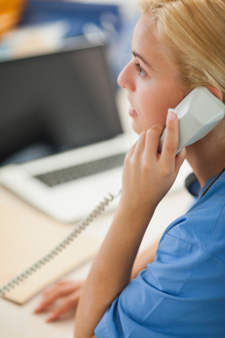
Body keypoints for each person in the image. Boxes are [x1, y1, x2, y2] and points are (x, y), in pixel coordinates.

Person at [37, 0, 225, 336]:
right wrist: (115, 277)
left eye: (141, 67)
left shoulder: (202, 248)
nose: (123, 78)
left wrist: (134, 208)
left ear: (205, 103)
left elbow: (90, 333)